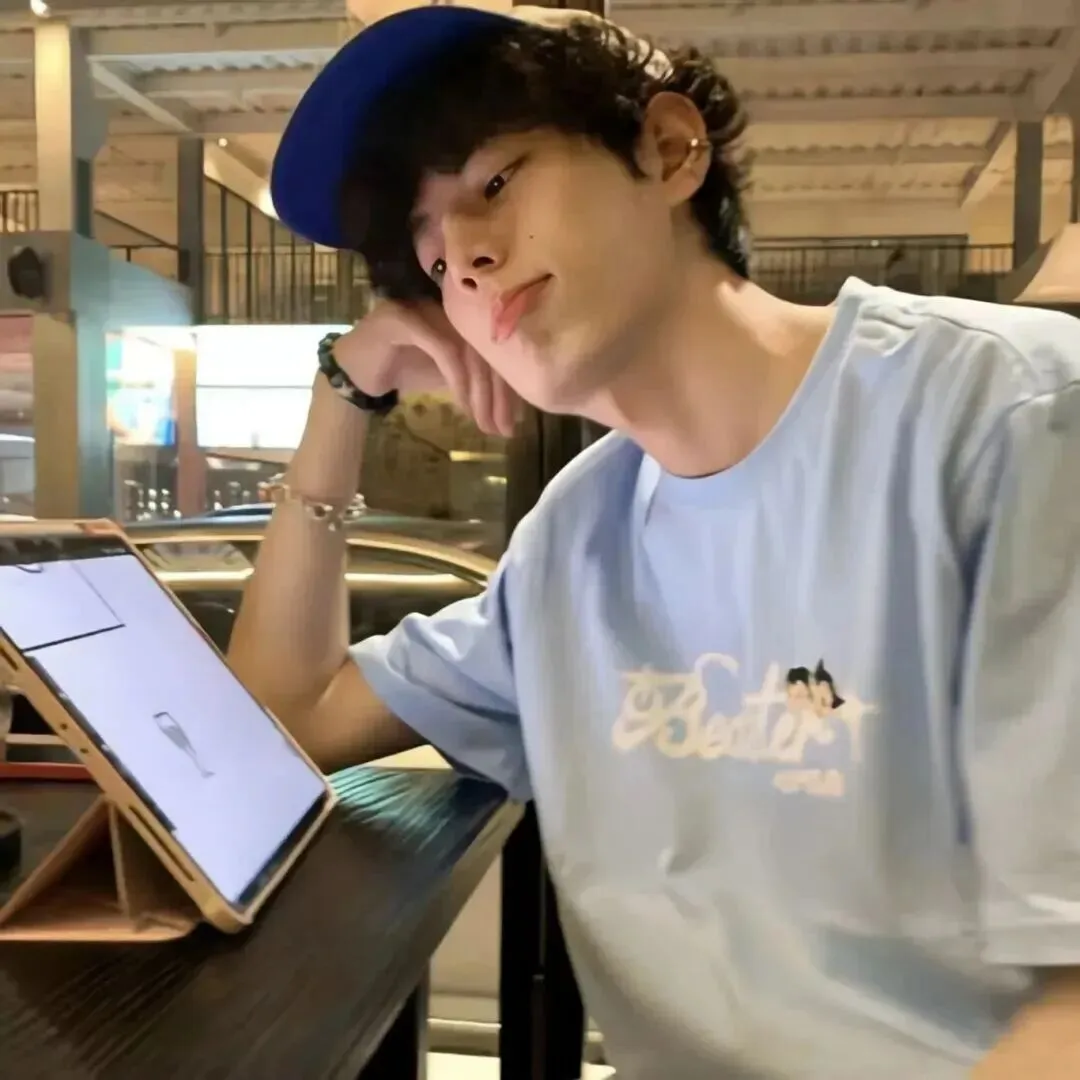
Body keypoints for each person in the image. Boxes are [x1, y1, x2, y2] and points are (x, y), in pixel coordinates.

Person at [229, 7, 1080, 1078]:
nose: (470, 260)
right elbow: (277, 722)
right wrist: (344, 393)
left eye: (495, 182)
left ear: (671, 151)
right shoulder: (575, 540)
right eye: (432, 258)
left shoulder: (1011, 417)